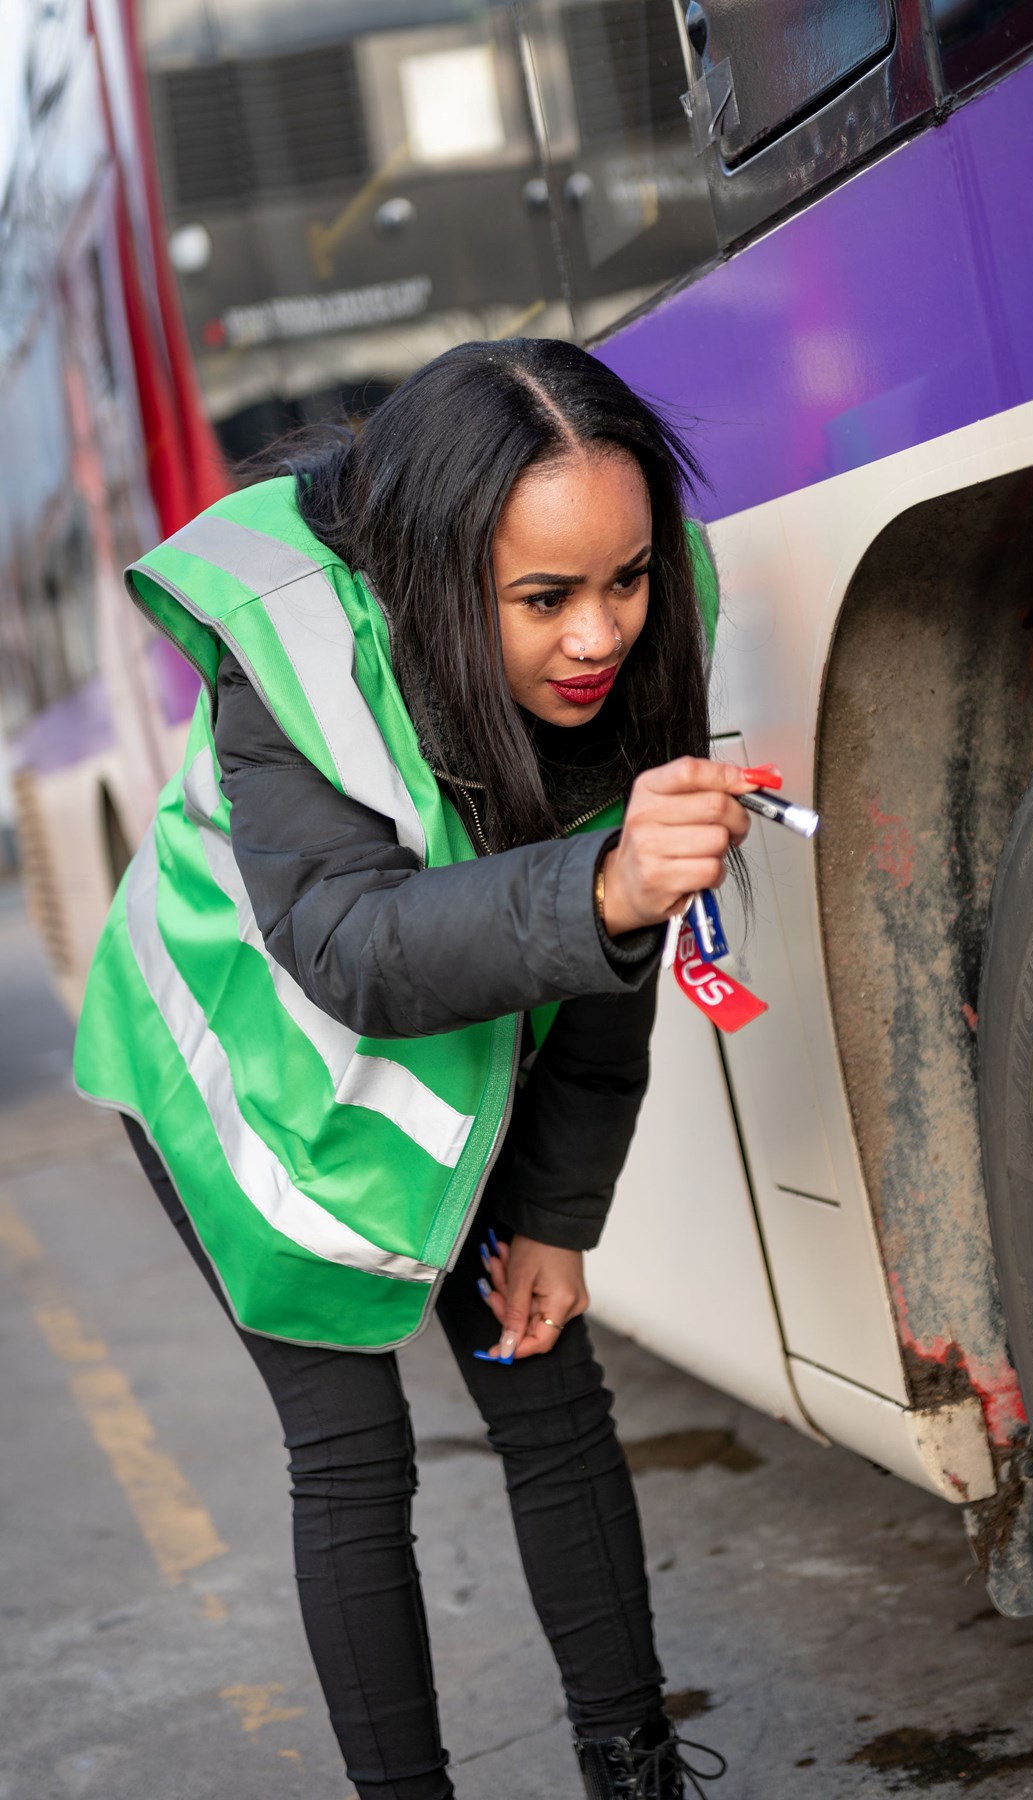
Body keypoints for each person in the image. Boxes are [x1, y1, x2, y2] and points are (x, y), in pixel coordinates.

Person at [74, 337, 768, 1799]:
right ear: (441, 577)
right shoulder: (295, 650)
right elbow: (352, 947)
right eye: (544, 601)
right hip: (240, 1054)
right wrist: (601, 890)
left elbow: (606, 966)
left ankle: (636, 1772)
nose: (599, 639)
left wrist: (561, 1217)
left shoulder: (645, 633)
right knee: (352, 1449)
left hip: (472, 1021)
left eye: (626, 581)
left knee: (545, 1376)